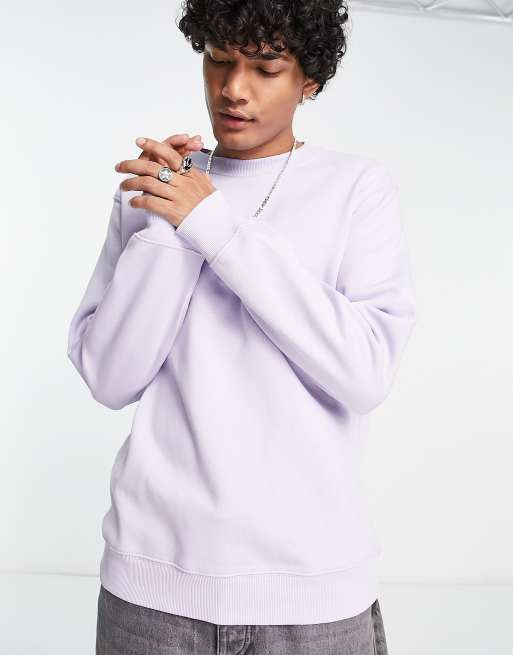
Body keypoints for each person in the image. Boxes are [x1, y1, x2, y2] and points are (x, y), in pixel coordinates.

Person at [67, 1, 417, 653]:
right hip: (153, 593)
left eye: (265, 68)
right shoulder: (157, 189)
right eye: (219, 60)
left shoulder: (356, 189)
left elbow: (364, 373)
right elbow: (111, 378)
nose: (233, 88)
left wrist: (213, 225)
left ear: (309, 80)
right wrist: (169, 224)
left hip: (313, 595)